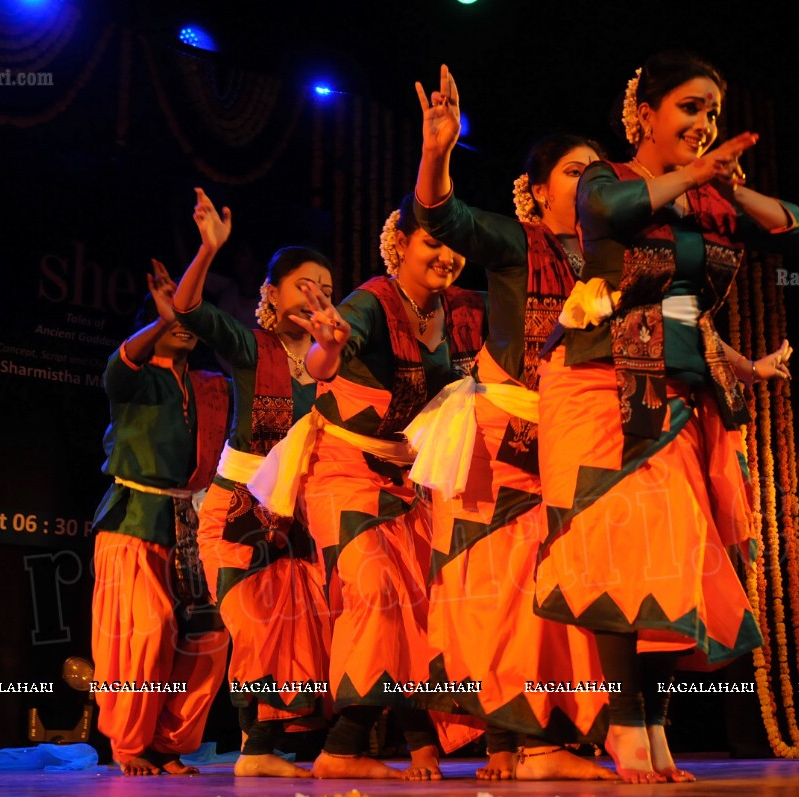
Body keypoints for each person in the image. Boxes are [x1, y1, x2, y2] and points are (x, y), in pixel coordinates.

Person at [534, 50, 799, 783]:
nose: (702, 123)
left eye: (712, 112)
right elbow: (609, 214)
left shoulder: (715, 201)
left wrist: (730, 185)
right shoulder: (608, 178)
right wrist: (692, 173)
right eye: (688, 108)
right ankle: (625, 726)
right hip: (603, 384)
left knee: (671, 562)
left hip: (684, 393)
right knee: (622, 551)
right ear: (644, 115)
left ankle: (651, 727)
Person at [408, 64, 615, 781]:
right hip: (502, 440)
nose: (589, 177)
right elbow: (441, 216)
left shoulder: (611, 256)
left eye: (598, 168)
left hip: (575, 435)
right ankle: (523, 741)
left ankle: (547, 736)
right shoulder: (510, 241)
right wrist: (438, 151)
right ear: (536, 187)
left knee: (568, 588)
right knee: (500, 593)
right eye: (572, 169)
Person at [292, 196, 486, 780]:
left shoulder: (458, 311)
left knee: (423, 604)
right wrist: (326, 342)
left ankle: (420, 738)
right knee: (375, 588)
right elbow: (326, 363)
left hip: (408, 480)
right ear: (400, 243)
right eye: (432, 243)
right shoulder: (371, 301)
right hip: (341, 470)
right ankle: (343, 744)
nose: (446, 257)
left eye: (453, 246)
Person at [173, 189, 334, 778]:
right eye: (303, 284)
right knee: (256, 625)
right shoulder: (251, 346)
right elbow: (188, 309)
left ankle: (277, 746)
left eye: (325, 287)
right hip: (237, 510)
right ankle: (254, 749)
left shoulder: (334, 362)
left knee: (304, 633)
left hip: (295, 518)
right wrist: (208, 250)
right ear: (272, 293)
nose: (315, 294)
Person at [90, 259, 231, 776]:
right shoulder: (133, 381)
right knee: (146, 631)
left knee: (208, 637)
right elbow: (120, 362)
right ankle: (130, 743)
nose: (183, 328)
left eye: (189, 320)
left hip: (191, 526)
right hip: (134, 524)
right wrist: (163, 317)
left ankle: (168, 745)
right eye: (172, 321)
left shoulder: (212, 387)